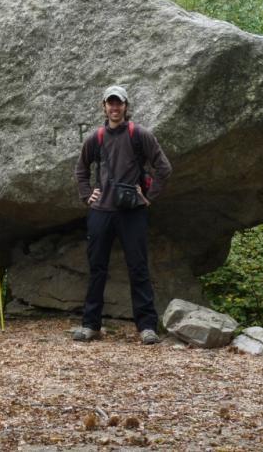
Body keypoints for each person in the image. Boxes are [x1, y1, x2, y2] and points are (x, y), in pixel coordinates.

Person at [73, 85, 172, 345]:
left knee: (138, 268)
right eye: (110, 103)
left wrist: (149, 196)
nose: (114, 108)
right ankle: (90, 325)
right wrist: (87, 195)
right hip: (101, 211)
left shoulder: (139, 134)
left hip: (132, 212)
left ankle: (147, 327)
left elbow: (164, 167)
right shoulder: (96, 138)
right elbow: (81, 169)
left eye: (119, 103)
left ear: (126, 106)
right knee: (97, 269)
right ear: (103, 106)